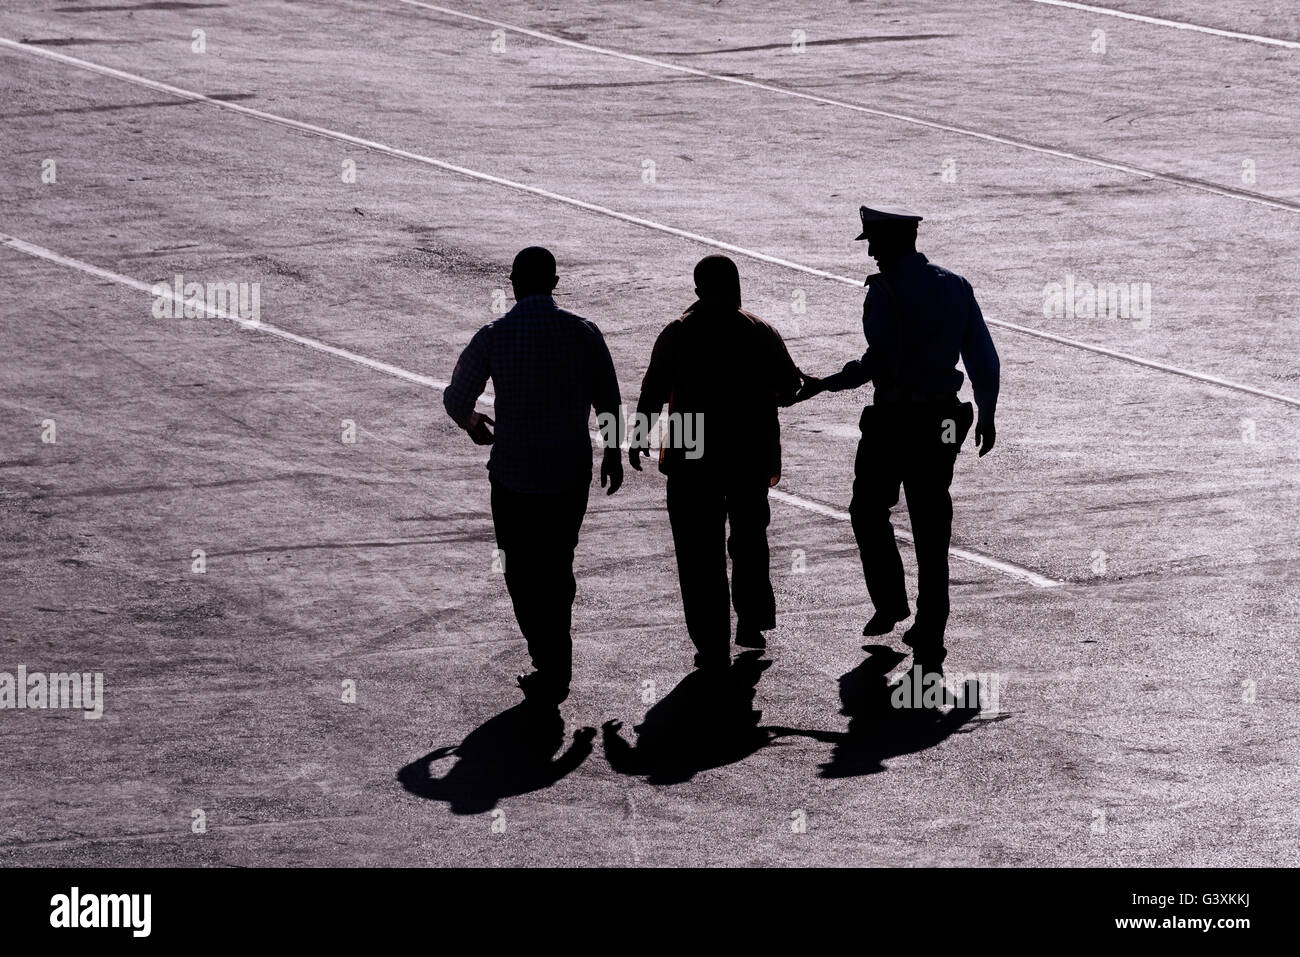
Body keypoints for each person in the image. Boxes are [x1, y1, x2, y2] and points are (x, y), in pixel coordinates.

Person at [795, 206, 999, 667]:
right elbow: (982, 356)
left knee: (867, 510)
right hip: (943, 420)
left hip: (894, 420)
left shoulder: (885, 291)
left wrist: (824, 384)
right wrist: (987, 413)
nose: (870, 252)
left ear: (888, 245)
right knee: (932, 524)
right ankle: (931, 625)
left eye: (872, 243)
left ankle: (890, 602)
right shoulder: (955, 285)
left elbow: (877, 362)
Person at [443, 246, 623, 704]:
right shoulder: (583, 332)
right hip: (568, 473)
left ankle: (545, 658)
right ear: (555, 282)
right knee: (558, 564)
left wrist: (471, 422)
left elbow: (456, 396)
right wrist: (613, 454)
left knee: (520, 570)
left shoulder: (494, 335)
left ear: (514, 284)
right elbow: (608, 398)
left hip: (513, 475)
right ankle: (556, 661)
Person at [630, 254, 804, 670]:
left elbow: (653, 388)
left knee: (697, 551)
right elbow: (788, 385)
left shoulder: (678, 333)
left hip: (693, 452)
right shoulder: (759, 330)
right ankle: (752, 619)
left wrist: (637, 438)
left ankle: (711, 640)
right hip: (748, 452)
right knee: (749, 539)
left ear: (698, 290)